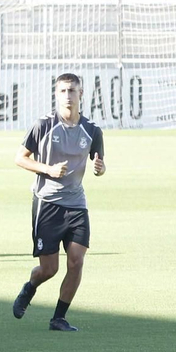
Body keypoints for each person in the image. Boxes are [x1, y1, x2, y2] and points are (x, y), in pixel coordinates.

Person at [13, 73, 105, 332]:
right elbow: (20, 158)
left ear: (81, 94)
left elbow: (99, 165)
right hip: (48, 203)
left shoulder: (92, 130)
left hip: (77, 204)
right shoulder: (43, 125)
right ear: (56, 95)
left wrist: (100, 168)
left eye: (72, 91)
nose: (68, 96)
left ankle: (59, 318)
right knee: (49, 269)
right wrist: (48, 169)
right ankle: (30, 288)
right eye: (63, 91)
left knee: (76, 261)